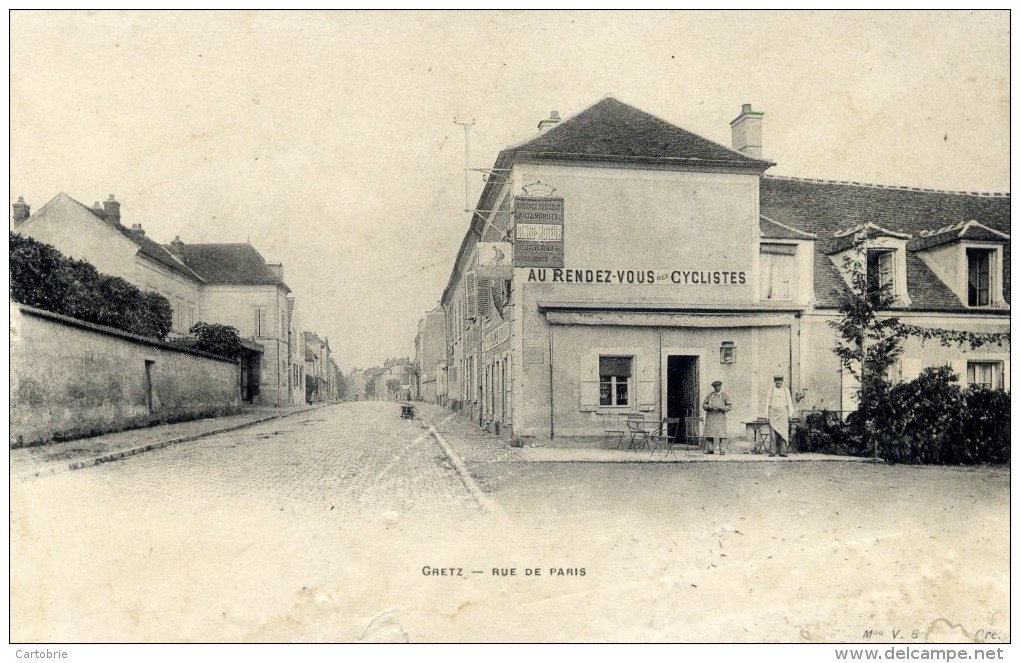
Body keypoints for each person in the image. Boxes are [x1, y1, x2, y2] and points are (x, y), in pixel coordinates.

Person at [766, 375, 795, 457]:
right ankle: (772, 452)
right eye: (777, 380)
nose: (778, 382)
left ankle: (783, 452)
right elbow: (767, 403)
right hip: (773, 414)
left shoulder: (786, 391)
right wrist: (766, 416)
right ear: (774, 381)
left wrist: (790, 414)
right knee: (773, 434)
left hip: (783, 414)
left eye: (780, 380)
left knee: (783, 433)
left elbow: (789, 402)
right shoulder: (770, 391)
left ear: (782, 381)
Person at [702, 380, 732, 454]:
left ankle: (722, 450)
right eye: (715, 387)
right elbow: (704, 405)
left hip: (720, 417)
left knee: (722, 434)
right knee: (709, 433)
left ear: (721, 387)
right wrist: (710, 407)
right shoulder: (710, 396)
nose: (717, 388)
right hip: (711, 417)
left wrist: (721, 408)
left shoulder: (724, 396)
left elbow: (729, 406)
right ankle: (710, 449)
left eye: (718, 386)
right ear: (714, 387)